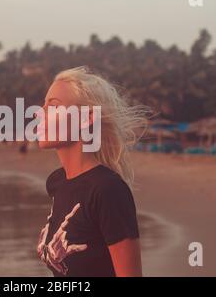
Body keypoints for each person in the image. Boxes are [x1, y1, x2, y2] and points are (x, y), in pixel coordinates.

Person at [36, 66, 147, 277]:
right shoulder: (57, 183)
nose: (40, 113)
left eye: (53, 106)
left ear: (86, 119)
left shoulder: (108, 190)